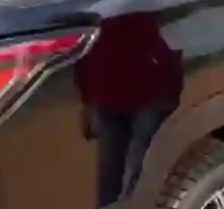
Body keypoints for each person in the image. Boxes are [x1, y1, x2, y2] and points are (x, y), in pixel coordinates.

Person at [74, 12, 183, 208]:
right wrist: (87, 104)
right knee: (116, 167)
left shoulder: (133, 20)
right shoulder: (99, 24)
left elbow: (166, 58)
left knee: (135, 165)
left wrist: (170, 95)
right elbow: (82, 66)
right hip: (110, 102)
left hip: (140, 101)